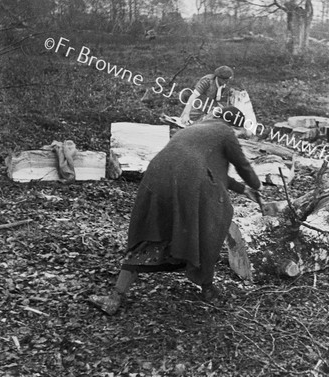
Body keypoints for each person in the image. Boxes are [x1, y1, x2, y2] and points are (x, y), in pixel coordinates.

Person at [89, 106, 261, 315]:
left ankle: (114, 297)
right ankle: (207, 287)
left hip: (157, 175)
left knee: (152, 231)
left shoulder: (196, 129)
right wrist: (257, 186)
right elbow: (243, 166)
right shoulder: (225, 132)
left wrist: (243, 190)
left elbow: (212, 172)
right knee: (213, 222)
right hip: (188, 179)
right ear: (235, 125)